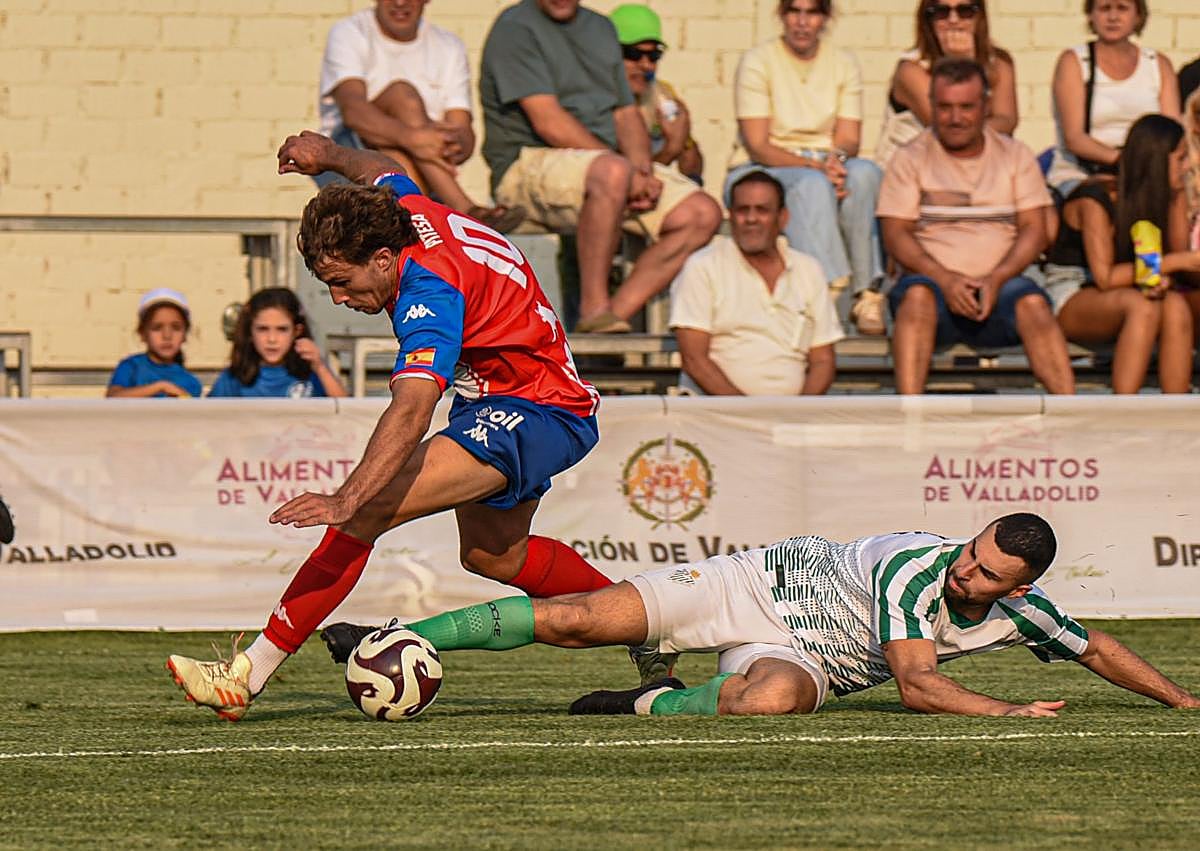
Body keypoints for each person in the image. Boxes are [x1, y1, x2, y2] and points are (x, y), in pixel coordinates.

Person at [166, 132, 616, 721]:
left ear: (383, 261)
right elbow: (382, 167)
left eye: (344, 282)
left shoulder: (429, 293)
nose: (337, 297)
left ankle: (245, 675)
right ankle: (647, 625)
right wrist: (329, 157)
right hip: (507, 403)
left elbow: (410, 409)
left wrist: (346, 495)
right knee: (493, 559)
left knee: (367, 510)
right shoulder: (403, 214)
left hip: (540, 409)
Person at [321, 513, 1200, 718]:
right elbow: (918, 681)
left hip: (809, 655)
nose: (964, 570)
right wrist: (1009, 712)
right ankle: (391, 637)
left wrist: (1180, 700)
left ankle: (645, 703)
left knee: (769, 702)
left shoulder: (1024, 613)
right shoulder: (915, 568)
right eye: (969, 552)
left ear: (1017, 590)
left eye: (983, 574)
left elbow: (1099, 646)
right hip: (758, 584)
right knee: (579, 617)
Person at [480, 0, 722, 334]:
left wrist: (642, 171)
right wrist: (625, 172)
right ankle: (593, 305)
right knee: (611, 173)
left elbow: (625, 113)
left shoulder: (602, 29)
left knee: (701, 212)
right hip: (527, 162)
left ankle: (606, 317)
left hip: (602, 168)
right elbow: (548, 120)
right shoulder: (515, 26)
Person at [878, 58, 1076, 395]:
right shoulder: (909, 158)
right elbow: (895, 233)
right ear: (932, 105)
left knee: (1032, 304)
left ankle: (1072, 415)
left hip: (1002, 287)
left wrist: (997, 277)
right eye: (945, 107)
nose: (956, 118)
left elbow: (1034, 229)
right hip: (932, 287)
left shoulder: (1014, 155)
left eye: (966, 107)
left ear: (985, 106)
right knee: (917, 296)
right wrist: (946, 278)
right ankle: (909, 421)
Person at [726, 0, 886, 337]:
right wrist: (817, 169)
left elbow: (848, 137)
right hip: (760, 168)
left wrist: (836, 167)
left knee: (867, 174)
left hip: (822, 165)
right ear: (782, 16)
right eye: (794, 12)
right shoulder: (758, 61)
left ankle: (866, 294)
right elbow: (759, 144)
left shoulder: (843, 63)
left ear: (825, 18)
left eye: (811, 12)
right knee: (811, 185)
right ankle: (826, 291)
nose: (801, 22)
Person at [318, 0, 523, 232]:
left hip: (420, 170)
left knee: (400, 154)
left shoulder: (448, 46)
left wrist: (449, 144)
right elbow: (353, 112)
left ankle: (418, 220)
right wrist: (415, 139)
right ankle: (463, 210)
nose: (400, 2)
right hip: (350, 157)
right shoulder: (350, 32)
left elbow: (462, 131)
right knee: (403, 96)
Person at [1043, 115, 1196, 393]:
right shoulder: (1096, 199)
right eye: (1181, 159)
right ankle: (1124, 408)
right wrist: (1176, 263)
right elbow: (1105, 278)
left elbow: (1163, 259)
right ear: (1157, 162)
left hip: (1127, 285)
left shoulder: (1159, 194)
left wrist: (1176, 200)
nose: (1188, 167)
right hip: (1074, 288)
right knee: (1142, 307)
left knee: (1175, 305)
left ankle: (1176, 408)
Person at [669, 170, 843, 395]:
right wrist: (749, 416)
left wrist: (798, 416)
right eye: (743, 210)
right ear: (730, 216)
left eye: (762, 210)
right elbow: (694, 360)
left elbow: (823, 360)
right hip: (714, 415)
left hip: (792, 419)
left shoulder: (808, 269)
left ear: (783, 218)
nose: (751, 219)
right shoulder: (702, 266)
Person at [1046, 0, 1179, 195]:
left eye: (1122, 8)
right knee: (1098, 203)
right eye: (1104, 8)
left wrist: (1143, 165)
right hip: (1082, 171)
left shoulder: (1158, 65)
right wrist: (1124, 161)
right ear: (1090, 15)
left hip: (1146, 171)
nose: (1113, 17)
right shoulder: (1073, 61)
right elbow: (1074, 138)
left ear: (1138, 16)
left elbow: (1171, 133)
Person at [875, 0, 1017, 167]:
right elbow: (949, 127)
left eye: (965, 11)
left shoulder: (999, 63)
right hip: (913, 169)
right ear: (928, 20)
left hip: (980, 168)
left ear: (979, 16)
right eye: (942, 12)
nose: (954, 20)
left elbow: (1006, 120)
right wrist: (961, 63)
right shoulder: (911, 69)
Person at [609, 3, 704, 184]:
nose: (646, 65)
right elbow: (624, 185)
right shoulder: (595, 101)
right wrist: (671, 149)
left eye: (654, 55)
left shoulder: (661, 93)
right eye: (633, 54)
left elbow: (693, 175)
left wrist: (686, 141)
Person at [207, 288, 348, 399]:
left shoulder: (310, 374)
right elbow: (210, 420)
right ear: (250, 331)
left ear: (297, 331)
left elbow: (346, 411)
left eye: (282, 329)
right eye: (263, 329)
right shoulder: (234, 377)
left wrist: (320, 366)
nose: (272, 339)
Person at [106, 288, 203, 399]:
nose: (167, 336)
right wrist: (161, 387)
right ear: (142, 333)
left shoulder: (190, 383)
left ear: (185, 334)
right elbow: (113, 397)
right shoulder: (131, 367)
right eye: (157, 328)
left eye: (176, 328)